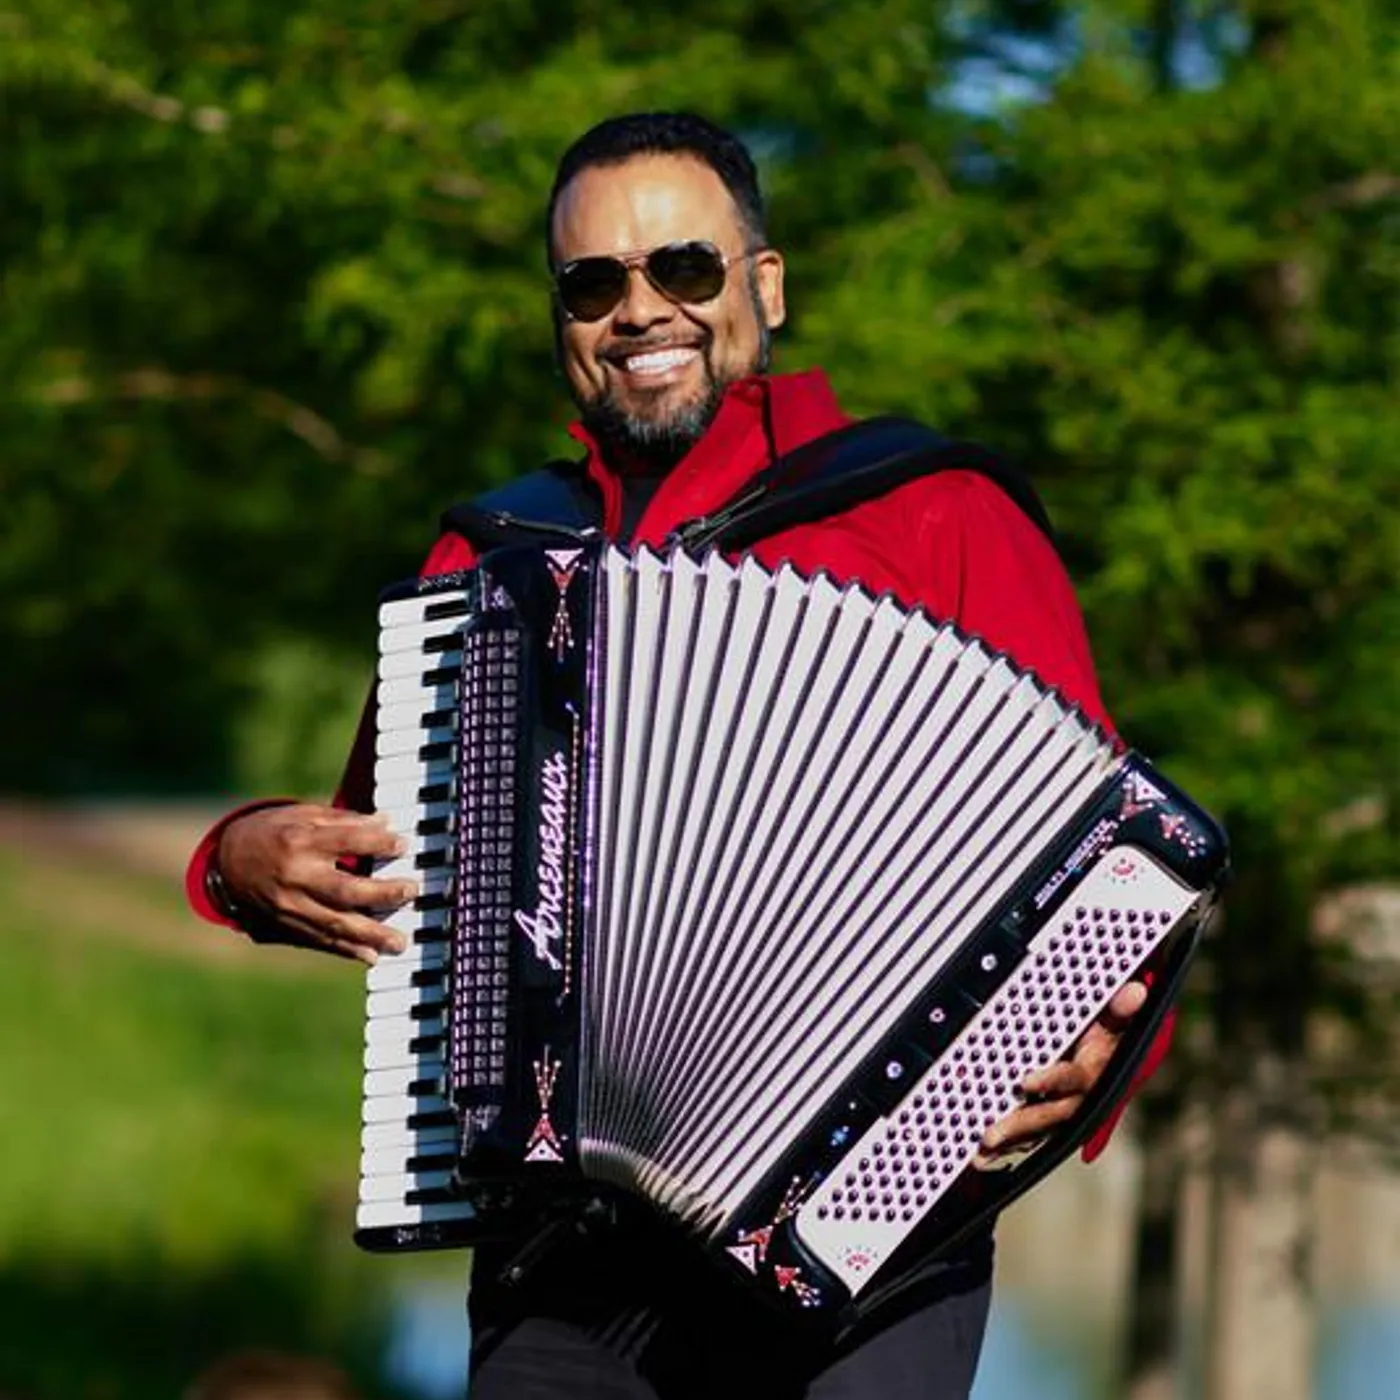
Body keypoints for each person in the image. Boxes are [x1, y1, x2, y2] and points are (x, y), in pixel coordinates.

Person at [185, 112, 1171, 1400]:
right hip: (562, 1250)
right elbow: (375, 857)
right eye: (593, 283)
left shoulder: (936, 512)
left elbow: (1112, 860)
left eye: (685, 268)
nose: (641, 310)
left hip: (872, 1234)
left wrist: (1096, 1054)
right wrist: (241, 859)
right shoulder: (491, 558)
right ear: (562, 317)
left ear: (767, 285)